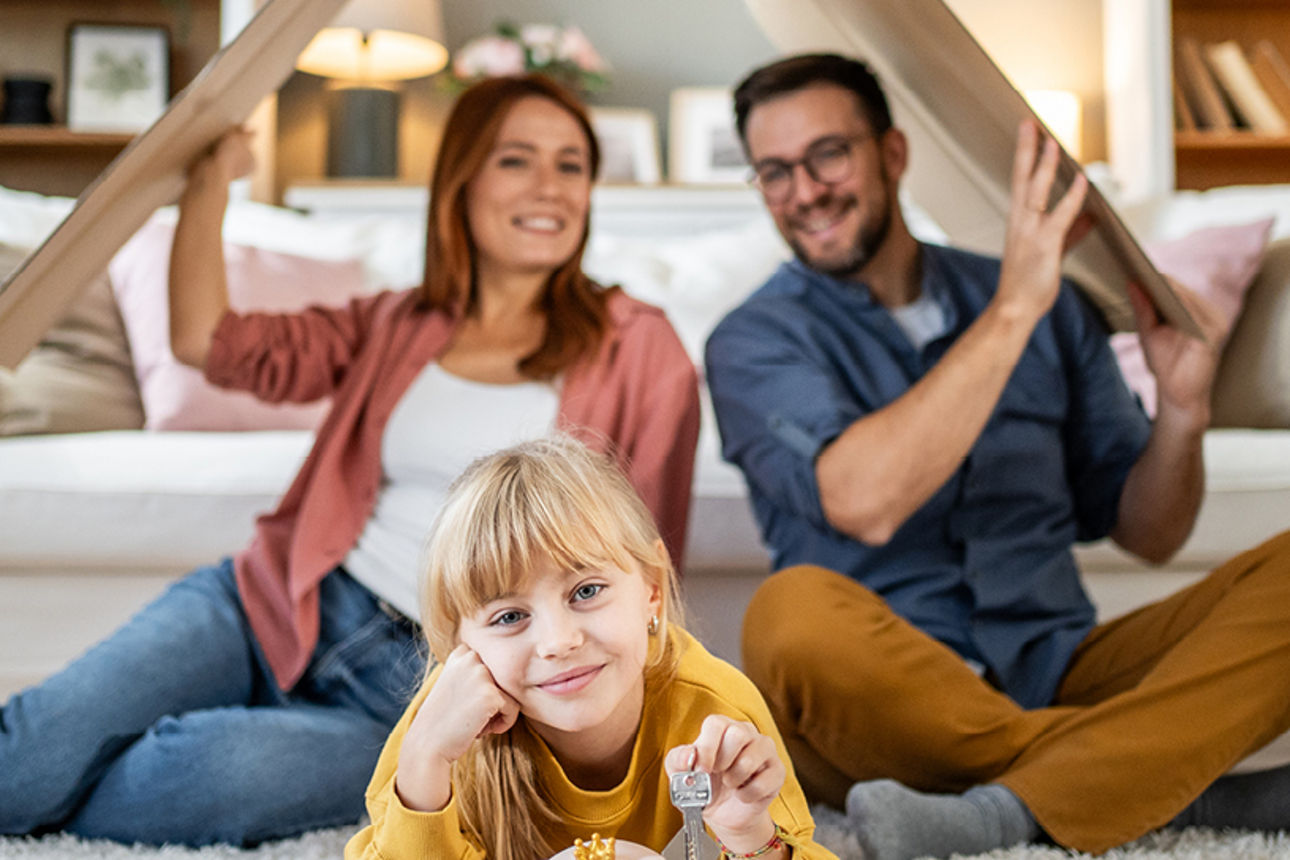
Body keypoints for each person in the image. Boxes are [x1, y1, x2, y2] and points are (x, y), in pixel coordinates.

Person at [0, 74, 700, 846]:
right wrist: (210, 183)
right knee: (39, 751)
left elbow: (647, 566)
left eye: (570, 165)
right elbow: (208, 343)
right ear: (461, 182)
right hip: (280, 599)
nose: (549, 186)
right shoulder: (398, 321)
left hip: (417, 688)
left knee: (188, 777)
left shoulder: (640, 345)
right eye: (517, 160)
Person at [705, 52, 1290, 860]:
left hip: (1058, 665)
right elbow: (863, 500)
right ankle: (1174, 780)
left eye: (828, 154)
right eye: (774, 172)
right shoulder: (754, 339)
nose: (804, 192)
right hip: (877, 698)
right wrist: (1013, 311)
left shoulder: (1044, 301)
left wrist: (1183, 414)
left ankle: (1012, 805)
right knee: (790, 613)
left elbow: (1150, 534)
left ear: (893, 153)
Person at [345, 436, 836, 860]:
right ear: (461, 649)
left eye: (586, 591)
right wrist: (424, 769)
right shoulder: (441, 735)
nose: (559, 642)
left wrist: (748, 833)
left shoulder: (716, 713)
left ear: (652, 589)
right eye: (510, 617)